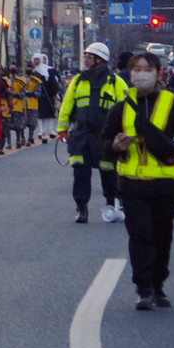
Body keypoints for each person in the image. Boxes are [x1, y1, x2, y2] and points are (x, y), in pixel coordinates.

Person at [100, 52, 174, 310]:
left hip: (166, 187)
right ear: (130, 73)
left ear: (159, 73)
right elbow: (104, 144)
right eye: (136, 69)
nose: (141, 73)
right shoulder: (120, 108)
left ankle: (158, 285)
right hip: (132, 184)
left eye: (147, 69)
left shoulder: (172, 105)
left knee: (162, 237)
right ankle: (143, 289)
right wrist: (114, 146)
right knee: (141, 236)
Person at [57, 41, 129, 224]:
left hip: (106, 138)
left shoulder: (116, 83)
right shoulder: (77, 81)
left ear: (100, 60)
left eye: (89, 57)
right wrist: (62, 130)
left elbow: (127, 111)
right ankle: (81, 208)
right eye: (86, 56)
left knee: (109, 171)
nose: (86, 60)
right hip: (81, 136)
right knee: (80, 173)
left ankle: (111, 205)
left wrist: (125, 134)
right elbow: (67, 106)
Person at [33, 54, 60, 143]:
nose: (36, 61)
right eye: (35, 59)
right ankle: (42, 131)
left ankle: (50, 130)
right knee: (41, 114)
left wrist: (54, 93)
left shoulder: (50, 70)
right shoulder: (33, 71)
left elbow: (55, 82)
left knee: (50, 113)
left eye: (38, 59)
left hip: (49, 94)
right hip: (39, 95)